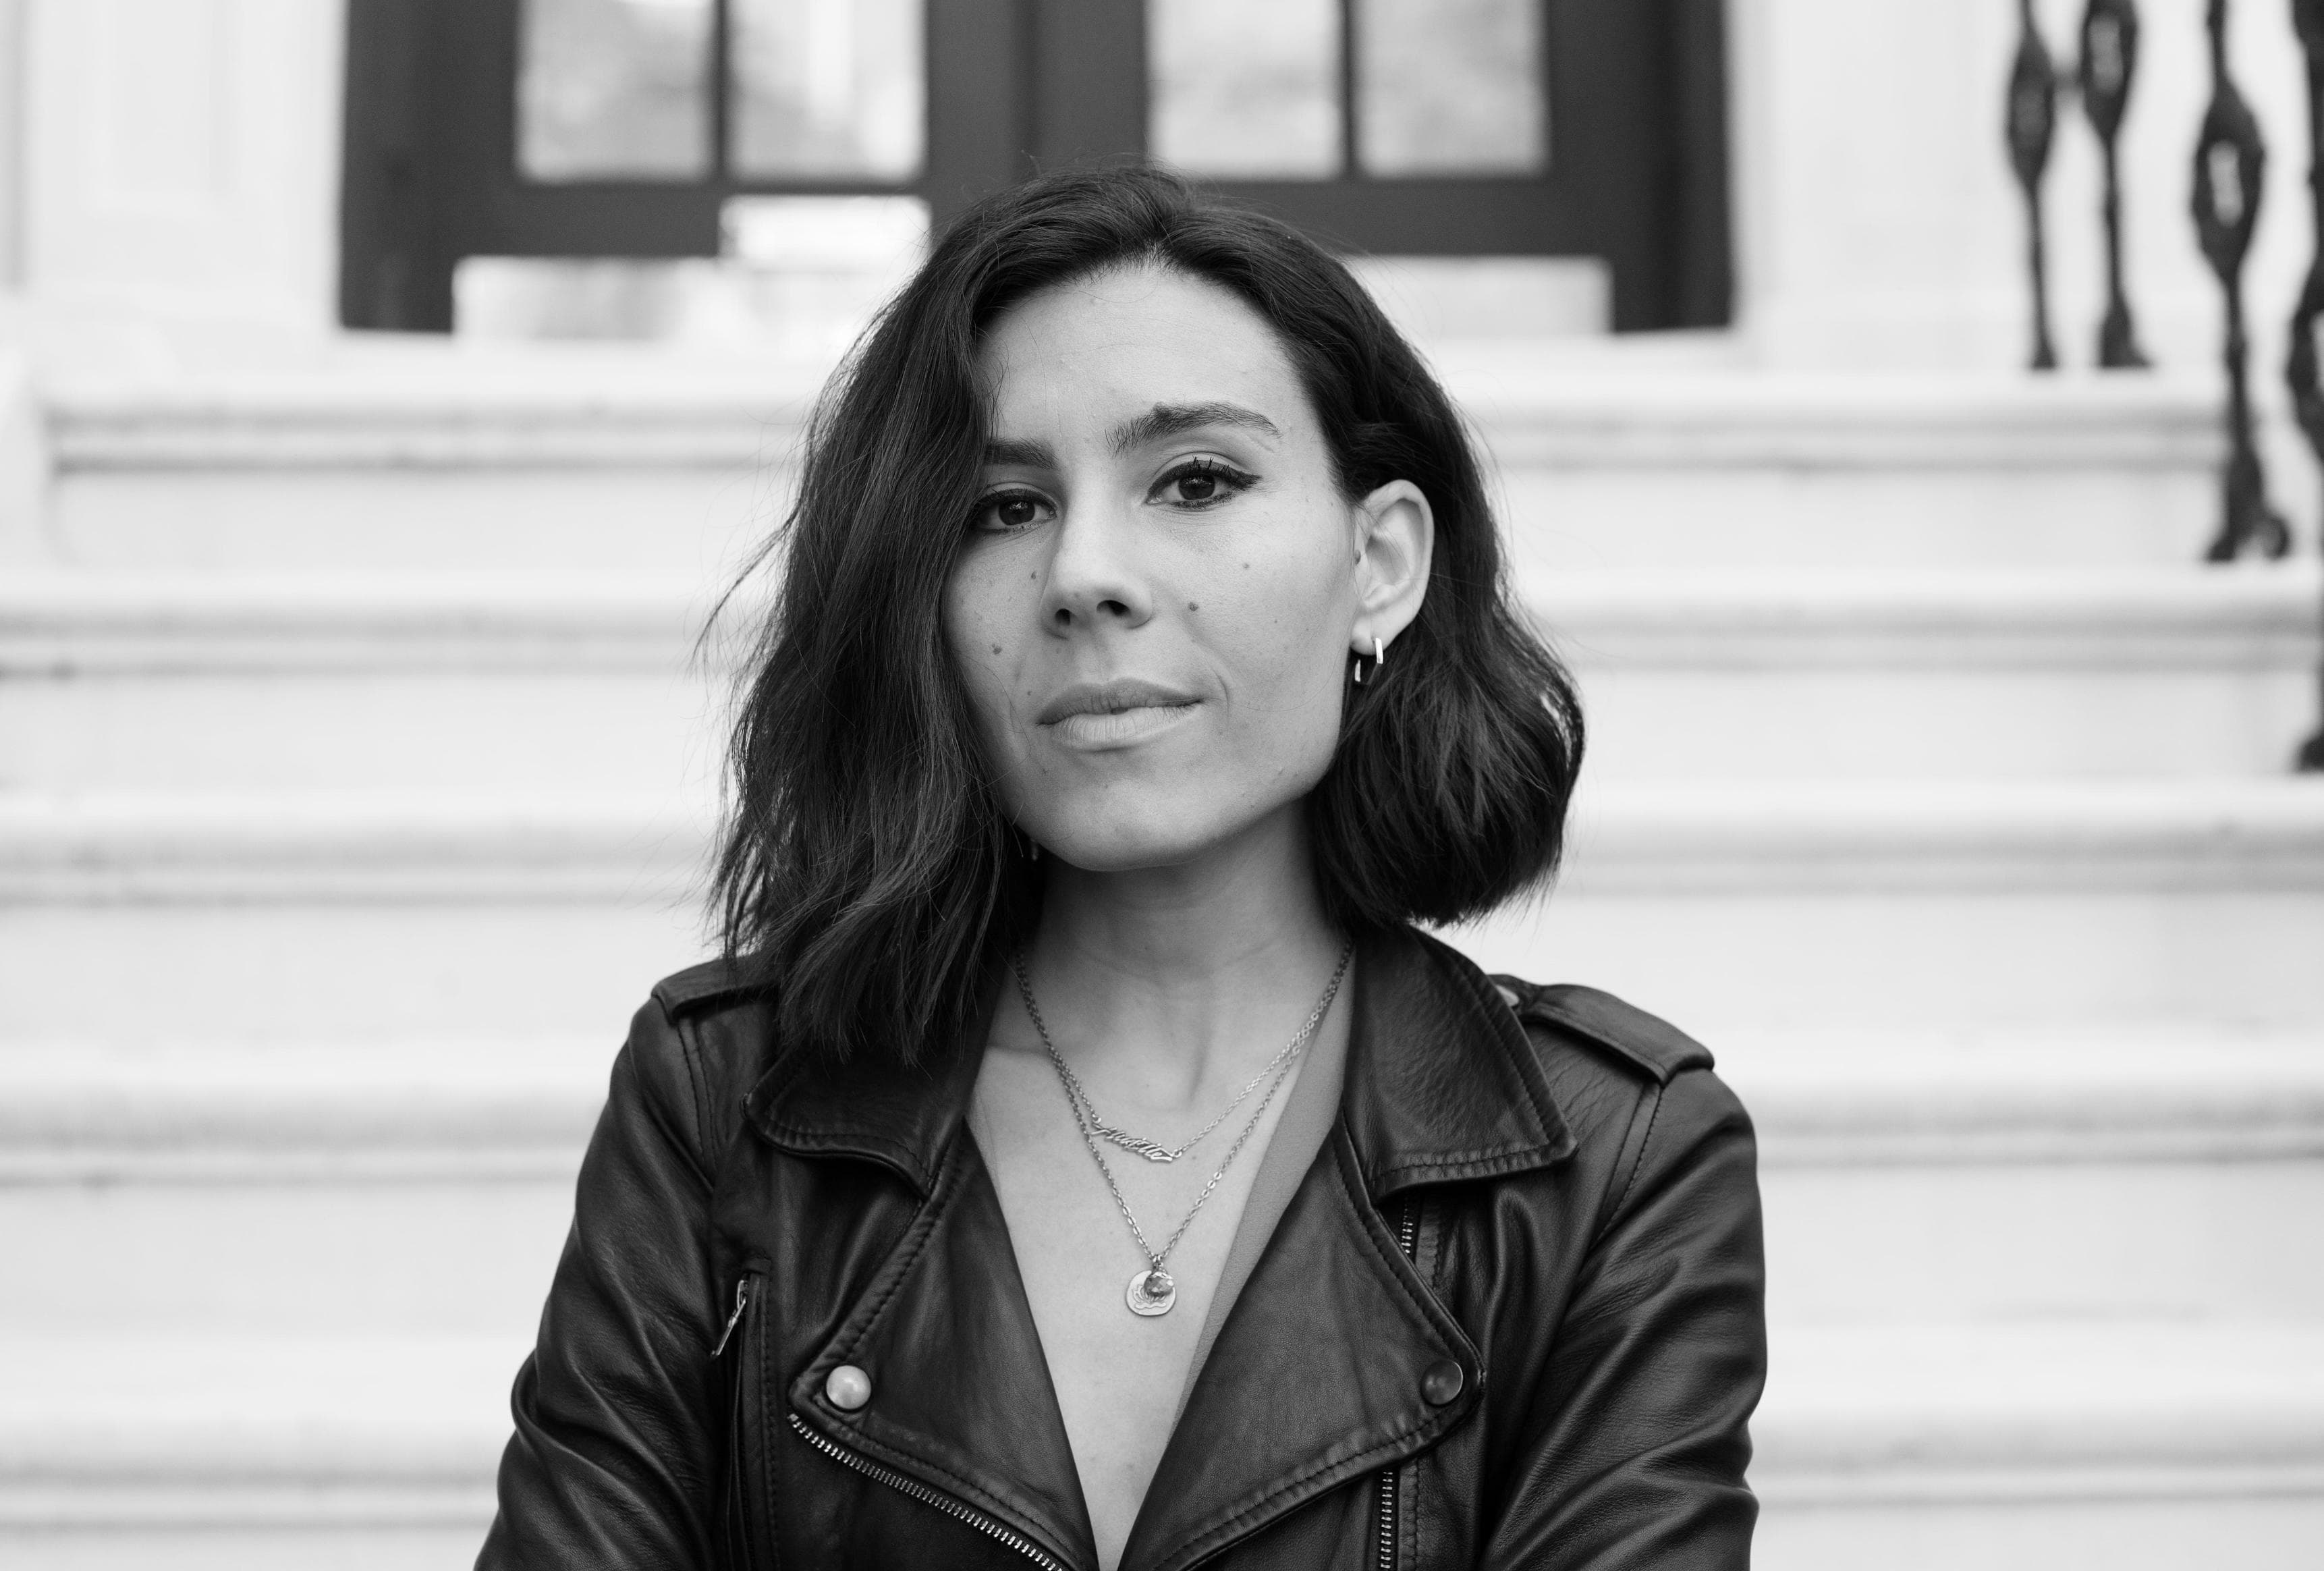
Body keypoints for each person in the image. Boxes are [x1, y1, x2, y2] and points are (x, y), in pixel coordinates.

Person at [478, 165, 1764, 1571]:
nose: (1085, 572)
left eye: (1196, 479)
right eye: (1001, 509)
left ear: (1380, 561)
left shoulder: (1613, 1157)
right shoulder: (725, 1098)